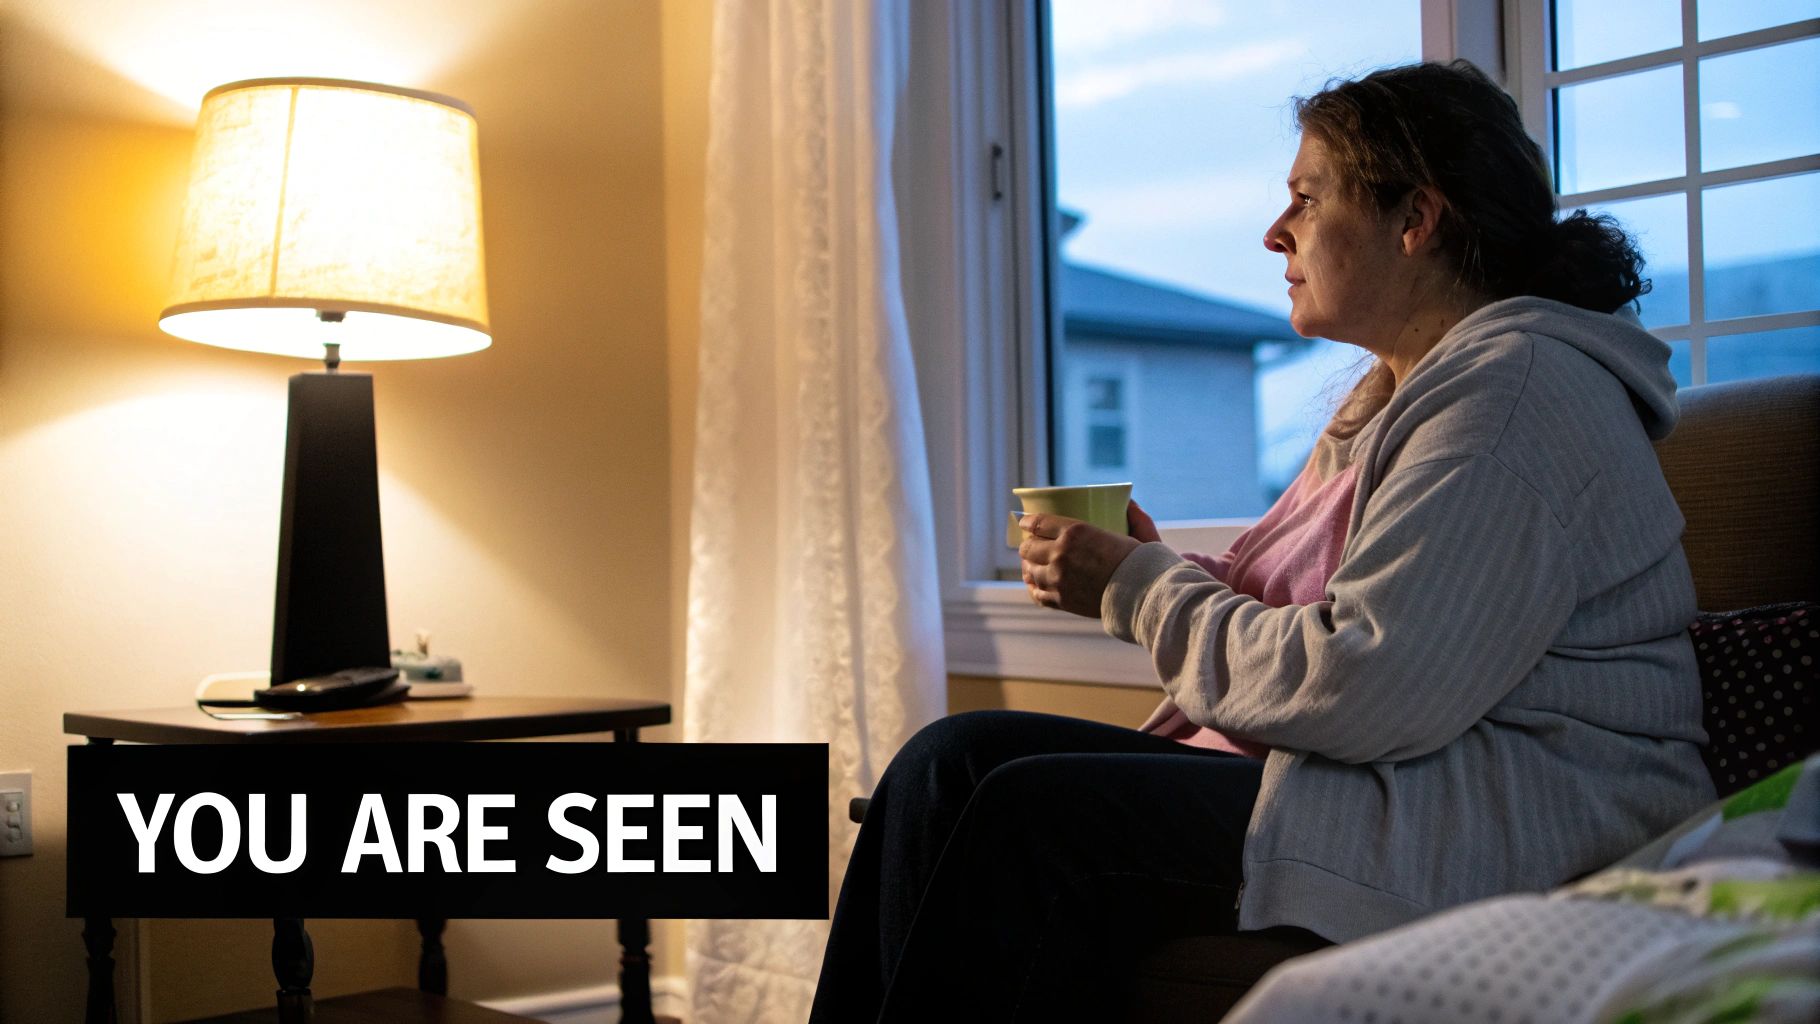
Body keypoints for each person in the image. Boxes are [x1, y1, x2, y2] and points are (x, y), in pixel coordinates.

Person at [807, 60, 1712, 1023]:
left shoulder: (1514, 396)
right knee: (952, 759)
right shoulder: (1400, 396)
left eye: (1307, 199)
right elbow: (1344, 619)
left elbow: (1361, 680)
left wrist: (1141, 588)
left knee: (1028, 818)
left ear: (1417, 220)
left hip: (1505, 809)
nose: (1274, 233)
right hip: (1394, 769)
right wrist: (1155, 572)